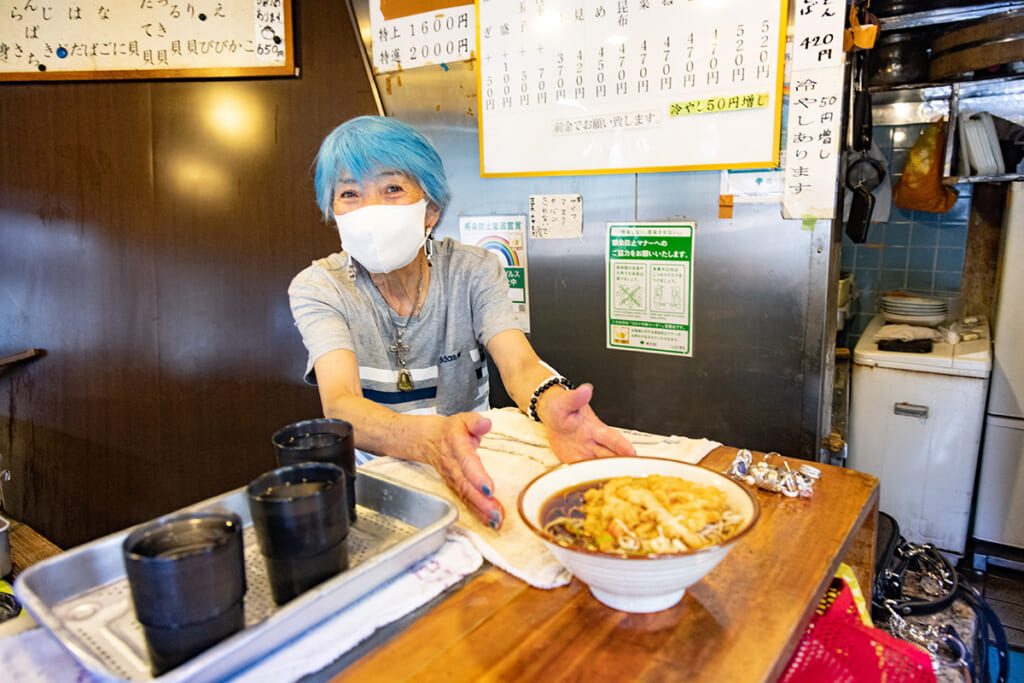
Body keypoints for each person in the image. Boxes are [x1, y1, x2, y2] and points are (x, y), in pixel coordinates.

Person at [289, 115, 634, 530]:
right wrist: (427, 439)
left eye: (392, 188)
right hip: (377, 484)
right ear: (333, 211)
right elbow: (341, 403)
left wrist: (550, 402)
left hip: (476, 463)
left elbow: (519, 363)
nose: (370, 210)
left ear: (430, 209)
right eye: (349, 193)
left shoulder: (474, 269)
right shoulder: (319, 286)